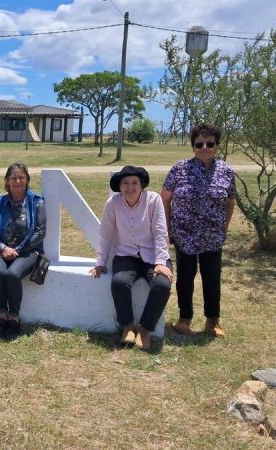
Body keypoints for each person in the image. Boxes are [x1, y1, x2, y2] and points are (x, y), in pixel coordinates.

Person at [161, 123, 236, 338]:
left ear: (217, 145)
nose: (205, 147)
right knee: (185, 276)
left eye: (210, 143)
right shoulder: (179, 168)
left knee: (212, 277)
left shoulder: (226, 171)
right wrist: (167, 228)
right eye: (199, 144)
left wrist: (225, 227)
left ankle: (212, 321)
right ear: (193, 146)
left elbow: (230, 202)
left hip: (212, 235)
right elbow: (165, 199)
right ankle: (185, 318)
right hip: (184, 234)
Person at [89, 166, 173, 350]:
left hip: (153, 255)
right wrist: (101, 263)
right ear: (119, 186)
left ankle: (144, 329)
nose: (130, 187)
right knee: (119, 282)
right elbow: (106, 234)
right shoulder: (113, 203)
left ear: (141, 185)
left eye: (134, 183)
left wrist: (160, 262)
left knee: (162, 285)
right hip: (126, 255)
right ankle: (127, 326)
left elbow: (160, 232)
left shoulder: (153, 200)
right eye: (125, 183)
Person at [0, 162, 46, 340]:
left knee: (12, 275)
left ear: (27, 180)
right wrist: (3, 248)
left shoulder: (37, 202)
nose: (17, 181)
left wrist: (17, 250)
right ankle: (2, 316)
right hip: (0, 249)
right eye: (13, 178)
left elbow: (41, 232)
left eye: (21, 177)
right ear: (7, 181)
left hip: (28, 250)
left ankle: (14, 318)